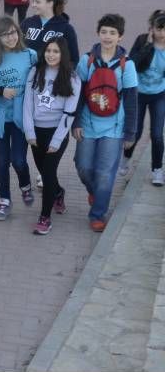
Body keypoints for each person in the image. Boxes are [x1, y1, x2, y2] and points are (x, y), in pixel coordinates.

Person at [72, 14, 138, 233]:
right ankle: (96, 192)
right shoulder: (87, 60)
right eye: (104, 32)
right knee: (83, 167)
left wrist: (130, 133)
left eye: (112, 33)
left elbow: (131, 101)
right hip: (88, 124)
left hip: (114, 127)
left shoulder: (127, 65)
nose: (107, 36)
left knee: (104, 173)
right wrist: (76, 122)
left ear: (120, 37)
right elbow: (79, 94)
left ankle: (97, 213)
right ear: (98, 33)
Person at [0, 17, 37, 220]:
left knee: (19, 160)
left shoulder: (30, 55)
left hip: (22, 118)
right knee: (2, 160)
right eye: (5, 34)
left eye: (13, 32)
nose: (11, 37)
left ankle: (25, 185)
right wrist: (1, 91)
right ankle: (4, 200)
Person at [23, 38, 80, 235]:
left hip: (57, 133)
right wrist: (29, 132)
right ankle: (58, 192)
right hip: (36, 132)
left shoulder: (72, 78)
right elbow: (28, 105)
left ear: (63, 54)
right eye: (48, 50)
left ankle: (45, 217)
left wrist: (57, 140)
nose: (51, 55)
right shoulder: (35, 72)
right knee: (44, 171)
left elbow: (69, 113)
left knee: (47, 174)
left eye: (56, 51)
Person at [120, 12, 165, 185]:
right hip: (138, 94)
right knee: (135, 132)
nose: (161, 33)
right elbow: (131, 63)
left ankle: (157, 170)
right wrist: (148, 45)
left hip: (159, 94)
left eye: (164, 30)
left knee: (157, 134)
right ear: (151, 28)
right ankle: (125, 159)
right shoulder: (142, 40)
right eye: (158, 29)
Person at [21, 0, 79, 64]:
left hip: (52, 75)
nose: (33, 5)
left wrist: (62, 74)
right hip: (27, 73)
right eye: (33, 1)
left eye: (37, 2)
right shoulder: (27, 23)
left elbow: (74, 59)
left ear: (50, 4)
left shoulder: (66, 29)